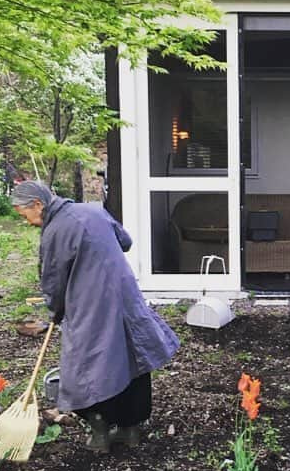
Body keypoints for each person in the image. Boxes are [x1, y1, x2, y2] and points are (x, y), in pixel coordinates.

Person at [10, 180, 180, 451]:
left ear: (38, 204)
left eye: (25, 214)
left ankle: (100, 431)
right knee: (132, 359)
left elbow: (53, 281)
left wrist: (55, 310)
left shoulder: (54, 231)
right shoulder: (94, 211)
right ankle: (131, 429)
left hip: (91, 307)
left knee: (87, 368)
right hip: (125, 298)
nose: (28, 221)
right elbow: (125, 241)